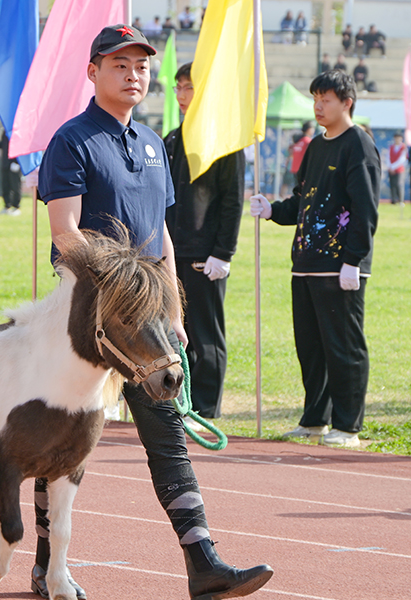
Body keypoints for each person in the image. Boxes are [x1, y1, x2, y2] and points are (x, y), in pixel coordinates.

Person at [36, 24, 274, 600]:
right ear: (92, 72)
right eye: (120, 65)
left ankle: (203, 564)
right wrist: (123, 289)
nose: (134, 74)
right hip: (87, 315)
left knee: (167, 436)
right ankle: (47, 567)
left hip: (145, 319)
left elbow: (161, 234)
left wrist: (172, 312)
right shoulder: (71, 141)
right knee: (58, 440)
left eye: (142, 66)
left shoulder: (151, 143)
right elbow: (66, 234)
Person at [249, 69, 380, 448]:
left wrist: (354, 260)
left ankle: (347, 425)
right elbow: (303, 201)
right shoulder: (315, 146)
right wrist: (273, 210)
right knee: (310, 346)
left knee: (343, 345)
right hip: (305, 263)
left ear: (347, 103)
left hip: (341, 266)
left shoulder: (359, 145)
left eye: (326, 100)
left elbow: (365, 209)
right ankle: (315, 419)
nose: (319, 106)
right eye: (315, 99)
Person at [164, 61, 244, 425]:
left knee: (205, 333)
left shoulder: (224, 142)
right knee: (175, 333)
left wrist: (223, 252)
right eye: (179, 88)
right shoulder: (172, 139)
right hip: (170, 254)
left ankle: (206, 408)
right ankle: (181, 402)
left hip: (204, 255)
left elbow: (232, 200)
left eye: (190, 87)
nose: (182, 95)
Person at [0, 130, 22, 215]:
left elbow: (21, 147)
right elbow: (2, 145)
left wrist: (17, 162)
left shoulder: (18, 130)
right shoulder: (5, 131)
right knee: (5, 185)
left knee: (15, 185)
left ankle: (16, 206)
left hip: (14, 163)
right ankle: (7, 206)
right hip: (5, 162)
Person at [387, 132, 407, 205]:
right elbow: (388, 157)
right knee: (392, 184)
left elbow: (402, 159)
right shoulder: (391, 147)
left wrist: (394, 166)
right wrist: (390, 166)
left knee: (399, 184)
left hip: (399, 169)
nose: (397, 139)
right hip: (391, 169)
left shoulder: (403, 147)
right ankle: (393, 200)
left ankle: (401, 200)